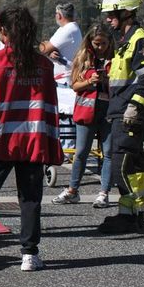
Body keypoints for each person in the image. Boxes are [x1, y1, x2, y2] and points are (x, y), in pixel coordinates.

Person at [0, 8, 63, 271]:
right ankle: (29, 253)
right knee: (30, 197)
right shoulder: (44, 64)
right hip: (33, 138)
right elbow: (48, 103)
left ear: (3, 32)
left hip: (2, 139)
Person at [97, 0, 144, 234]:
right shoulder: (125, 40)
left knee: (122, 166)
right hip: (120, 111)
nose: (108, 19)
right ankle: (132, 214)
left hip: (129, 115)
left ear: (126, 13)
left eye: (112, 14)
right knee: (132, 166)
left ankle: (129, 215)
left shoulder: (139, 39)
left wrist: (134, 107)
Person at [53, 26, 114, 206]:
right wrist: (89, 81)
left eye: (104, 43)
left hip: (108, 111)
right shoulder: (83, 58)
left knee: (108, 152)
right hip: (86, 111)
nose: (100, 47)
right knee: (81, 152)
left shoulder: (116, 59)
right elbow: (74, 86)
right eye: (97, 44)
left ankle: (104, 193)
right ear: (90, 42)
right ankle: (73, 190)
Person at [39, 2, 81, 82]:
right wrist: (49, 52)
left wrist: (45, 46)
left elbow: (44, 49)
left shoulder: (68, 29)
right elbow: (47, 49)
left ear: (59, 15)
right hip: (61, 79)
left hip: (63, 82)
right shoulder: (67, 28)